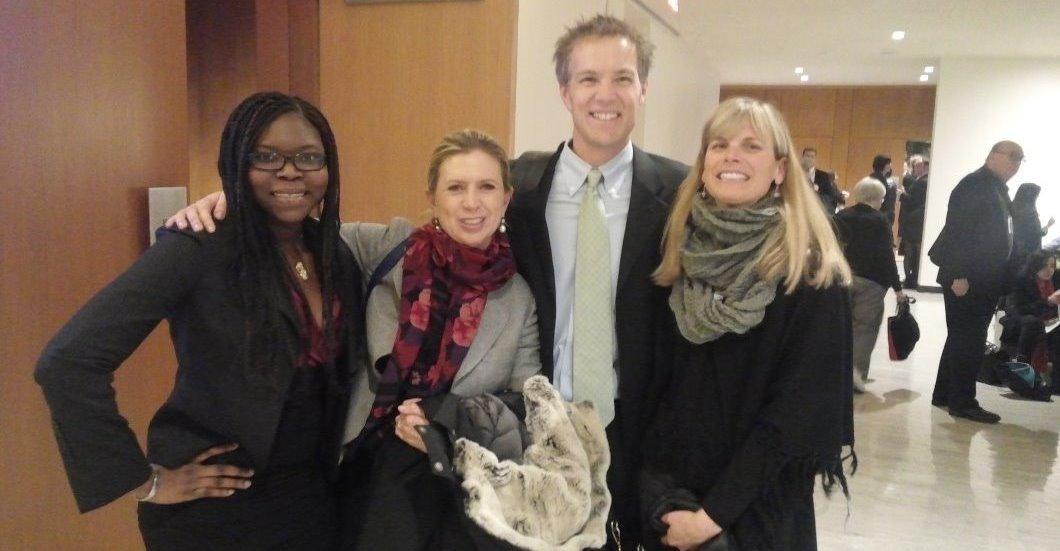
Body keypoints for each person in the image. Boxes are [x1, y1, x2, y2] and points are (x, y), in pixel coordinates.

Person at [34, 92, 364, 549]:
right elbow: (68, 362)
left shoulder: (333, 253)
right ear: (236, 163)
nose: (290, 171)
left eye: (309, 157)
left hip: (311, 500)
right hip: (216, 507)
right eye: (266, 157)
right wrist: (144, 482)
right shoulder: (197, 246)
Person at [504, 14, 688, 548]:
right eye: (588, 79)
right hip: (536, 418)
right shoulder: (518, 187)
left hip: (636, 426)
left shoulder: (679, 190)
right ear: (565, 91)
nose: (605, 94)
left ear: (643, 88)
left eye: (623, 78)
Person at [640, 97, 854, 551]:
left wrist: (712, 516)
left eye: (751, 146)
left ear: (779, 170)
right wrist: (660, 497)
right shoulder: (678, 259)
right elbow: (661, 390)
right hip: (673, 504)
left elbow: (798, 416)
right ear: (703, 166)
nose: (731, 155)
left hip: (760, 511)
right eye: (719, 145)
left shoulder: (811, 274)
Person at [335, 129, 542, 550]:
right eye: (455, 187)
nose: (471, 202)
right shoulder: (388, 248)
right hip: (368, 468)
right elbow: (299, 231)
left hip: (458, 483)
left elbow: (525, 404)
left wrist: (445, 417)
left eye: (486, 187)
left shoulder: (517, 296)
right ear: (432, 197)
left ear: (505, 198)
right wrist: (226, 202)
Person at [928, 140, 1024, 424]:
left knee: (962, 337)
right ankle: (963, 401)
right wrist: (958, 274)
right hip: (967, 278)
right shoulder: (974, 185)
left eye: (1020, 159)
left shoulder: (995, 188)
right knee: (969, 340)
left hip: (983, 279)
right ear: (992, 155)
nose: (1016, 164)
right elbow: (959, 231)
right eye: (1012, 157)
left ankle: (945, 394)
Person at [835, 178, 906, 392]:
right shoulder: (880, 220)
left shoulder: (841, 216)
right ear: (876, 198)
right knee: (864, 330)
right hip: (871, 282)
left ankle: (836, 374)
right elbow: (886, 255)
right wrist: (897, 287)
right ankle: (856, 377)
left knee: (841, 328)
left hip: (842, 278)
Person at [1000, 251, 1060, 390]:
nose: (1049, 270)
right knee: (1033, 323)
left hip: (1049, 322)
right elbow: (1017, 309)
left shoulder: (1054, 280)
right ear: (1035, 265)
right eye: (1044, 266)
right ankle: (1023, 370)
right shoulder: (1022, 280)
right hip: (1022, 321)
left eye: (1052, 266)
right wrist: (1048, 301)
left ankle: (1056, 383)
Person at [898, 156, 929, 287]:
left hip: (914, 221)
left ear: (925, 167)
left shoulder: (922, 182)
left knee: (911, 251)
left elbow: (914, 201)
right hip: (915, 221)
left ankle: (910, 279)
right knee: (913, 251)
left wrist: (902, 195)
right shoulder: (921, 180)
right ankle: (912, 278)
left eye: (918, 166)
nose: (915, 168)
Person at [1011, 183, 1056, 267]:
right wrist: (1048, 225)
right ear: (1031, 196)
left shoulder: (1012, 208)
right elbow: (1037, 233)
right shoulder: (1030, 214)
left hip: (1016, 253)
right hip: (1029, 256)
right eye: (1036, 196)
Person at [800, 147, 841, 214]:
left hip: (816, 209)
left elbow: (830, 195)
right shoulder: (794, 173)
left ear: (815, 159)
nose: (809, 159)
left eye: (812, 157)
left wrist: (817, 190)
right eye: (807, 156)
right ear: (802, 157)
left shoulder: (823, 176)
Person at [871, 154, 897, 227]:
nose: (890, 165)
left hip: (882, 214)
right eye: (888, 164)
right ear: (883, 165)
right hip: (881, 214)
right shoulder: (877, 178)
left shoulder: (881, 177)